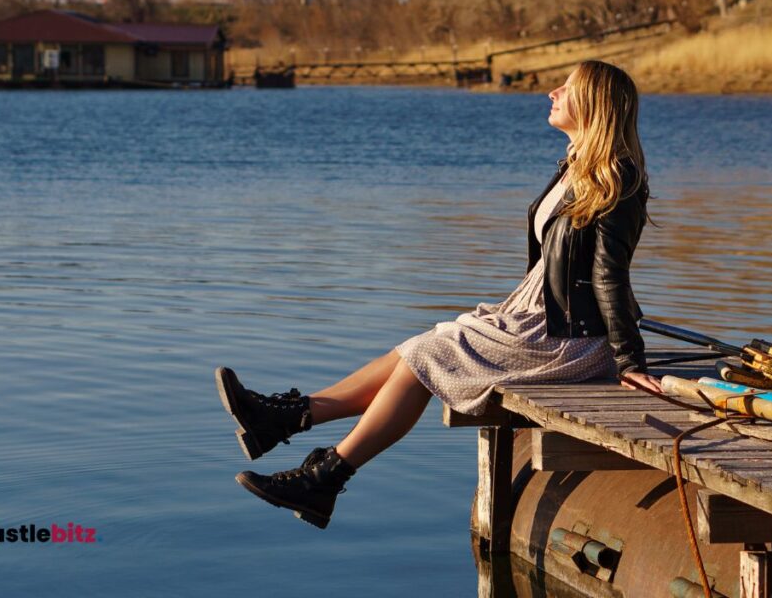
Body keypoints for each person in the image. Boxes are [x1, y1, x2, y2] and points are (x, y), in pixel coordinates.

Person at [214, 59, 660, 529]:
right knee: (426, 343)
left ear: (593, 103)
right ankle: (290, 419)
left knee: (427, 355)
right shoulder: (575, 168)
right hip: (535, 316)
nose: (551, 92)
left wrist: (629, 362)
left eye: (565, 88)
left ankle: (322, 470)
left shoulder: (618, 179)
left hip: (570, 339)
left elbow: (610, 277)